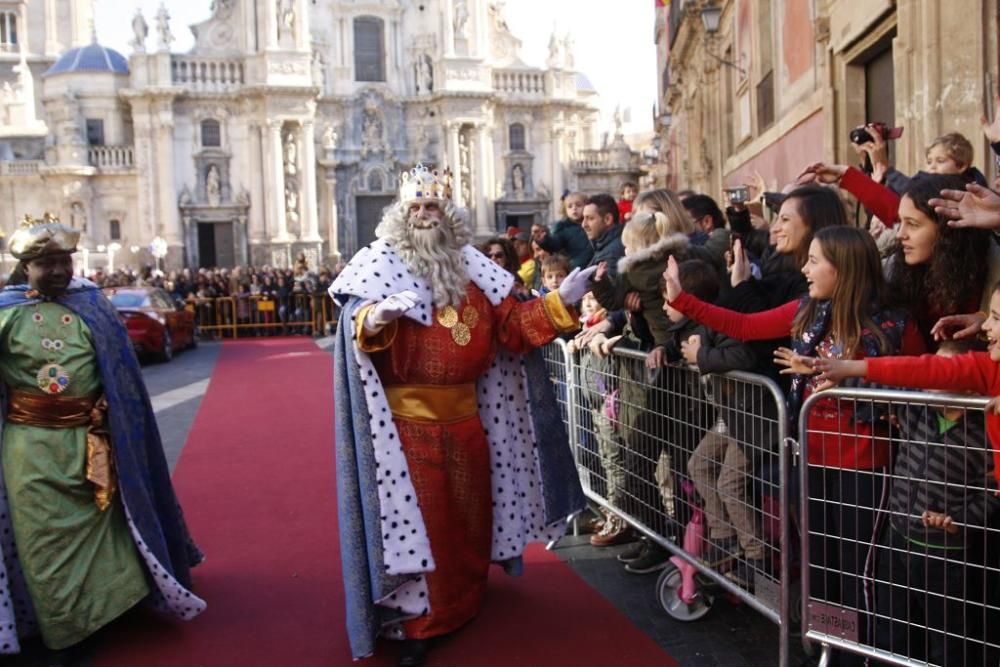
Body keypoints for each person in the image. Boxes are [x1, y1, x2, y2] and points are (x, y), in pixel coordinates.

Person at [330, 164, 591, 666]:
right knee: (423, 524)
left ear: (448, 215)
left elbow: (512, 325)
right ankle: (422, 621)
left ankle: (464, 601)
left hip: (469, 424)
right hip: (406, 431)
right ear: (400, 216)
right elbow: (354, 317)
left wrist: (561, 302)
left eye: (433, 207)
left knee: (468, 520)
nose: (425, 215)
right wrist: (374, 318)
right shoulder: (379, 263)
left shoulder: (473, 268)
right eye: (416, 208)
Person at [664, 226, 924, 666]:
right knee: (818, 567)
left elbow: (915, 379)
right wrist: (681, 300)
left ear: (843, 268)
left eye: (815, 260)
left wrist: (845, 375)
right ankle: (828, 650)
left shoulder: (892, 324)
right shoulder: (805, 311)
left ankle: (865, 657)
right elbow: (744, 325)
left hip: (866, 468)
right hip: (810, 461)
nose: (804, 268)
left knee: (860, 572)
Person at [0, 218, 204, 662]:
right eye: (46, 263)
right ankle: (65, 627)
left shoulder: (91, 302)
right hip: (32, 449)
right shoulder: (5, 312)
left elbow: (120, 373)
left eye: (63, 261)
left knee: (103, 532)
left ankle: (112, 608)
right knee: (47, 541)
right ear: (26, 267)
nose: (58, 271)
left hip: (95, 443)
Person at [537, 192, 594, 270]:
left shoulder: (594, 223)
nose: (574, 208)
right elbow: (555, 244)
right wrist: (545, 240)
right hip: (576, 267)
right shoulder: (563, 227)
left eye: (578, 205)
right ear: (565, 210)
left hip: (595, 264)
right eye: (570, 206)